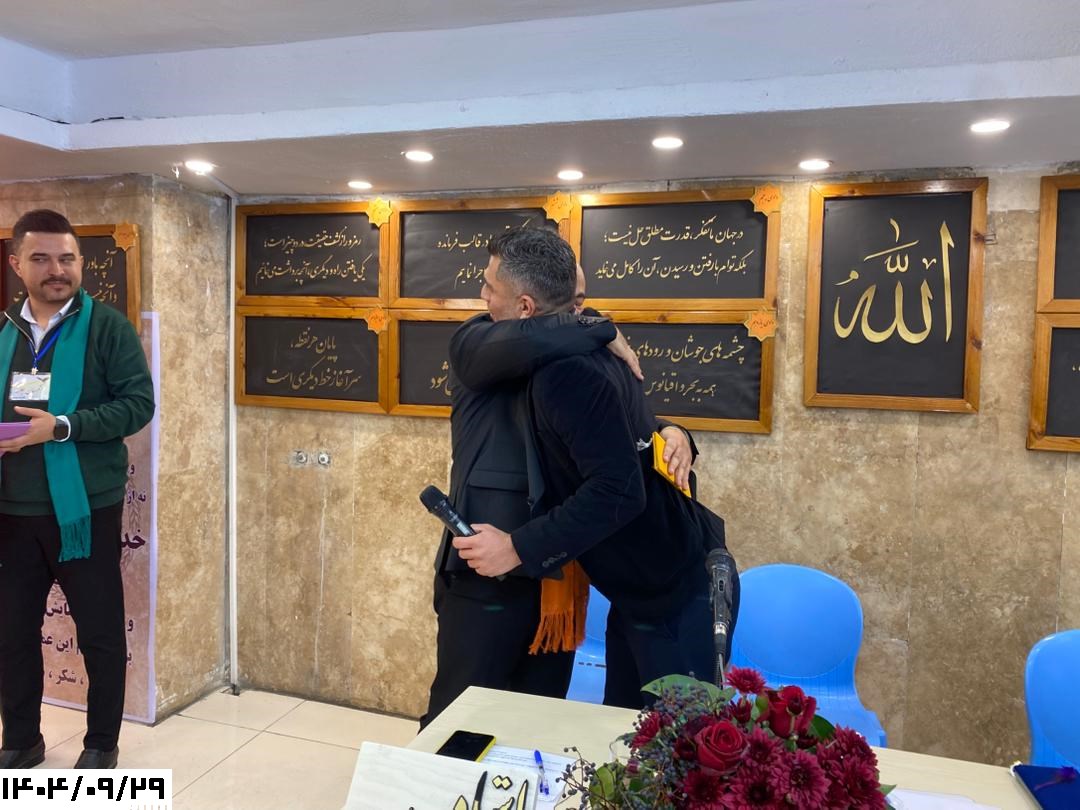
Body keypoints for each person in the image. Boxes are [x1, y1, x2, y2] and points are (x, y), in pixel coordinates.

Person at [452, 227, 738, 709]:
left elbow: (619, 490)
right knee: (627, 736)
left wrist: (517, 547)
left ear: (525, 307)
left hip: (675, 594)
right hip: (640, 594)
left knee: (677, 747)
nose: (482, 297)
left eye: (489, 286)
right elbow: (619, 432)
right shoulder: (592, 347)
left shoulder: (567, 372)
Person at [0, 209, 155, 770]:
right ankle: (21, 740)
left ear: (81, 263)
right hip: (11, 511)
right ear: (17, 265)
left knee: (100, 633)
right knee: (12, 633)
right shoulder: (4, 331)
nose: (57, 269)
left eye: (67, 258)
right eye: (41, 258)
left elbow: (138, 405)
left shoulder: (107, 327)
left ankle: (100, 744)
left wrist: (61, 426)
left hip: (82, 511)